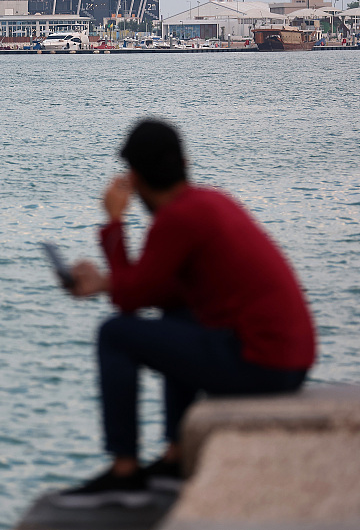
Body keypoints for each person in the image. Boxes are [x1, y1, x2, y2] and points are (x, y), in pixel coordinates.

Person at [52, 118, 316, 509]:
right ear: (184, 163)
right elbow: (161, 290)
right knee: (177, 312)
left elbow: (130, 302)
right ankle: (175, 457)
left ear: (134, 177)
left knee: (114, 333)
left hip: (259, 365)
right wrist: (106, 283)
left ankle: (124, 471)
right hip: (288, 363)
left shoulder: (178, 219)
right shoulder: (210, 202)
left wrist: (114, 222)